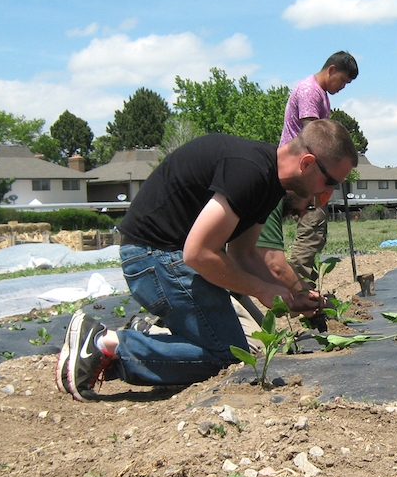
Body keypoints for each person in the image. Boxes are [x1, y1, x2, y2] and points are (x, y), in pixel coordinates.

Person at [55, 120, 358, 401]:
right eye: (330, 182)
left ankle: (148, 338)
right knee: (226, 356)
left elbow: (244, 253)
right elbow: (197, 253)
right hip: (153, 257)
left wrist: (292, 296)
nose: (327, 194)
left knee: (228, 349)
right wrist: (264, 290)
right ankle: (103, 344)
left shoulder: (269, 182)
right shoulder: (249, 170)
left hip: (167, 260)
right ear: (307, 163)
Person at [264, 51, 359, 284]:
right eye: (343, 80)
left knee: (314, 230)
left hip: (306, 171)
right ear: (332, 70)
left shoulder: (321, 94)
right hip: (303, 175)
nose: (343, 87)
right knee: (312, 229)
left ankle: (300, 287)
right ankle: (301, 291)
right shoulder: (310, 90)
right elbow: (316, 138)